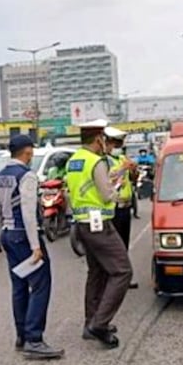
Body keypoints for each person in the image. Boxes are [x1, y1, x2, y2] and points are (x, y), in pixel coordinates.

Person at [0, 134, 64, 360]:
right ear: (26, 152)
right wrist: (36, 246)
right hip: (24, 237)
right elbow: (28, 213)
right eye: (31, 151)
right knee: (40, 284)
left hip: (8, 234)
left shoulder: (1, 175)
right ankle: (34, 339)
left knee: (19, 285)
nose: (32, 155)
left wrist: (1, 236)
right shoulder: (27, 176)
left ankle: (22, 335)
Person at [65, 119, 133, 349]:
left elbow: (85, 188)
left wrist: (112, 179)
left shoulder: (74, 160)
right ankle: (100, 324)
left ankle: (89, 323)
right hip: (100, 223)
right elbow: (106, 195)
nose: (107, 143)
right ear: (98, 139)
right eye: (105, 139)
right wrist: (121, 195)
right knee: (122, 271)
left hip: (82, 224)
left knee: (97, 272)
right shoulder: (96, 161)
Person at [103, 127, 139, 289]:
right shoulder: (104, 160)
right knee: (113, 245)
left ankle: (123, 276)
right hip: (113, 208)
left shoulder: (123, 158)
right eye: (116, 143)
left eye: (120, 143)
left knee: (124, 244)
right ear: (108, 143)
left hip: (125, 206)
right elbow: (108, 179)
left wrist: (133, 170)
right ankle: (112, 276)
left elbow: (133, 178)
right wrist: (123, 169)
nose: (118, 146)